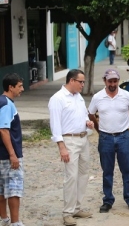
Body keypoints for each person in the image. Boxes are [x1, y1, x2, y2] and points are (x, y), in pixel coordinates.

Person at [87, 69, 129, 214]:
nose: (113, 84)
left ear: (118, 81)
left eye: (115, 81)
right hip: (105, 138)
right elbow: (91, 114)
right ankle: (108, 200)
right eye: (110, 81)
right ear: (105, 81)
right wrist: (99, 129)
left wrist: (127, 123)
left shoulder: (126, 95)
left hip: (124, 137)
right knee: (107, 171)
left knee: (127, 170)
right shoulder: (98, 97)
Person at [48, 69, 94, 226]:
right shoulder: (57, 99)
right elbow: (55, 125)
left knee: (83, 174)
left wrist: (88, 123)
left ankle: (77, 207)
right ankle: (67, 212)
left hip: (83, 138)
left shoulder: (79, 97)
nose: (83, 85)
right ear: (71, 81)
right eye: (80, 82)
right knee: (71, 176)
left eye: (83, 82)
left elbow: (84, 115)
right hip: (69, 140)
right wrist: (61, 146)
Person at [0, 73, 24, 226]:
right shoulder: (7, 104)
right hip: (8, 156)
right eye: (20, 86)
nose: (22, 89)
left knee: (1, 189)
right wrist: (13, 154)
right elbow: (3, 129)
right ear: (11, 87)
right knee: (14, 188)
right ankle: (15, 222)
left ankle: (4, 219)